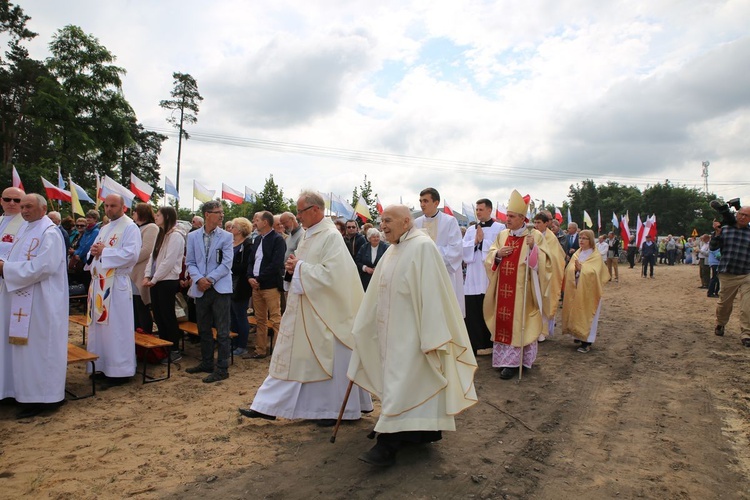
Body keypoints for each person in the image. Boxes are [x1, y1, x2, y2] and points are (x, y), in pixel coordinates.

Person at [348, 205, 478, 466]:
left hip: (414, 334)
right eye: (381, 221)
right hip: (390, 331)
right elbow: (378, 289)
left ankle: (387, 445)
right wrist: (366, 321)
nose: (382, 226)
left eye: (388, 221)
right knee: (403, 384)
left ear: (406, 222)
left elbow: (432, 294)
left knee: (402, 383)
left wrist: (431, 335)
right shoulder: (394, 249)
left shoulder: (422, 247)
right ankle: (417, 431)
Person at [239, 191, 372, 425]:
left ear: (315, 210)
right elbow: (305, 265)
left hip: (328, 314)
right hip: (308, 306)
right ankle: (267, 405)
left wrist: (299, 267)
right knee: (294, 357)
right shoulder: (310, 234)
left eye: (300, 211)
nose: (298, 217)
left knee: (327, 360)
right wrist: (294, 266)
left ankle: (333, 410)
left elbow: (335, 274)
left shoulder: (330, 236)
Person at [0, 194, 68, 418]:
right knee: (23, 350)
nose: (24, 210)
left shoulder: (50, 233)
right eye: (23, 206)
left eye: (29, 206)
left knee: (39, 349)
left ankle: (43, 398)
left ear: (43, 208)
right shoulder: (26, 229)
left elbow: (44, 267)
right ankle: (21, 392)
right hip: (22, 298)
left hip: (41, 301)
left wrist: (5, 270)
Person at [483, 190, 551, 380]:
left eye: (512, 216)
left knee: (520, 323)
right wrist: (498, 254)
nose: (508, 220)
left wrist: (533, 248)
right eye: (507, 216)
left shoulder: (534, 235)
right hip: (503, 290)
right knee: (504, 321)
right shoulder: (503, 235)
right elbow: (490, 256)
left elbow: (545, 263)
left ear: (522, 218)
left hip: (523, 292)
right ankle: (504, 360)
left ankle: (516, 363)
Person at [85, 194, 142, 387]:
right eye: (106, 206)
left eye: (113, 206)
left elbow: (131, 255)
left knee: (116, 329)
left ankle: (119, 371)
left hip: (115, 285)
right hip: (99, 284)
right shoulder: (104, 228)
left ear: (123, 207)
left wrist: (104, 252)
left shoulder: (130, 227)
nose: (109, 209)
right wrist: (93, 252)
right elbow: (94, 251)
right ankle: (101, 365)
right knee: (99, 329)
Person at [185, 200, 233, 383]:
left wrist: (209, 279)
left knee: (222, 331)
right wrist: (198, 279)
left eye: (222, 212)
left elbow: (226, 264)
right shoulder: (193, 236)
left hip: (219, 288)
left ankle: (222, 368)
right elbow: (190, 262)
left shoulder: (226, 237)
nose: (221, 215)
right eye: (217, 212)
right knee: (203, 328)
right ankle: (206, 362)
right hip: (200, 287)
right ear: (207, 214)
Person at [143, 206, 185, 363]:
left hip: (167, 281)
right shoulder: (160, 234)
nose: (155, 217)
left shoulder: (176, 236)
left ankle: (174, 349)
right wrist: (148, 275)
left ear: (167, 217)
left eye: (158, 215)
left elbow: (169, 261)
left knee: (168, 316)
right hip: (157, 280)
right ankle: (164, 346)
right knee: (159, 316)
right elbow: (152, 258)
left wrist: (154, 279)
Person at [414, 187, 465, 317]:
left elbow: (455, 249)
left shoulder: (449, 221)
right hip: (422, 274)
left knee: (443, 312)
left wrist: (430, 253)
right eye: (420, 201)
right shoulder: (417, 223)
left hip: (443, 273)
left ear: (436, 203)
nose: (422, 204)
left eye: (425, 201)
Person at [462, 199, 504, 353]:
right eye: (477, 210)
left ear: (489, 210)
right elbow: (463, 249)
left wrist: (482, 243)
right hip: (473, 275)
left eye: (481, 209)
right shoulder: (471, 229)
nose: (478, 212)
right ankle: (476, 344)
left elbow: (499, 249)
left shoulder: (500, 228)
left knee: (488, 308)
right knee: (473, 310)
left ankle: (490, 343)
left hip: (488, 275)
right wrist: (474, 242)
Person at [245, 211, 285, 359]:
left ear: (265, 222)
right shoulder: (257, 240)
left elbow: (276, 263)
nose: (255, 223)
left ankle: (278, 352)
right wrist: (250, 277)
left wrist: (259, 278)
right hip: (256, 286)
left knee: (275, 320)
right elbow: (251, 261)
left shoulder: (277, 240)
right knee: (260, 320)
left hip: (270, 286)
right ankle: (260, 350)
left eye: (257, 220)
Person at [561, 229, 609, 353]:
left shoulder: (595, 255)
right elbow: (568, 269)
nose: (581, 240)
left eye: (584, 238)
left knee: (587, 313)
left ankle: (587, 342)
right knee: (576, 310)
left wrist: (582, 270)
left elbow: (595, 273)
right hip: (576, 288)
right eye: (580, 238)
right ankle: (578, 335)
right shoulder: (577, 253)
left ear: (590, 240)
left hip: (589, 291)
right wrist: (575, 271)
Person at [710, 205, 750, 346]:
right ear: (737, 214)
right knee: (724, 304)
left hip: (746, 274)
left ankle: (746, 334)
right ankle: (720, 324)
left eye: (747, 215)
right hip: (727, 274)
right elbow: (713, 247)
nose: (743, 217)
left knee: (747, 306)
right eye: (741, 214)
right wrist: (717, 233)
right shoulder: (725, 230)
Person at [532, 212, 565, 342]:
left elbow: (555, 257)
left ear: (546, 224)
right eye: (535, 222)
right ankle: (533, 329)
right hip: (535, 273)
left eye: (539, 223)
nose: (536, 225)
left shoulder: (551, 238)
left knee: (545, 301)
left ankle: (543, 331)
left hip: (547, 275)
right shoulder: (533, 235)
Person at [130, 203, 159, 333]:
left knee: (142, 307)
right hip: (132, 271)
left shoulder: (151, 228)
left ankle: (146, 336)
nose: (132, 214)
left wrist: (127, 259)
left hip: (141, 271)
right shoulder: (136, 227)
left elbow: (147, 250)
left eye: (135, 211)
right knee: (134, 307)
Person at [228, 217, 253, 356]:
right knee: (231, 314)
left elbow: (246, 266)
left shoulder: (248, 245)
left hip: (241, 285)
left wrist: (229, 266)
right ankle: (234, 342)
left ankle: (242, 344)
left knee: (240, 314)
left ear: (241, 230)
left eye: (233, 227)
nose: (231, 229)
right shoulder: (230, 243)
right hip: (229, 283)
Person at [0, 186, 26, 258]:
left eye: (17, 200)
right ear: (1, 201)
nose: (11, 203)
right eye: (7, 199)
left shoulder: (28, 224)